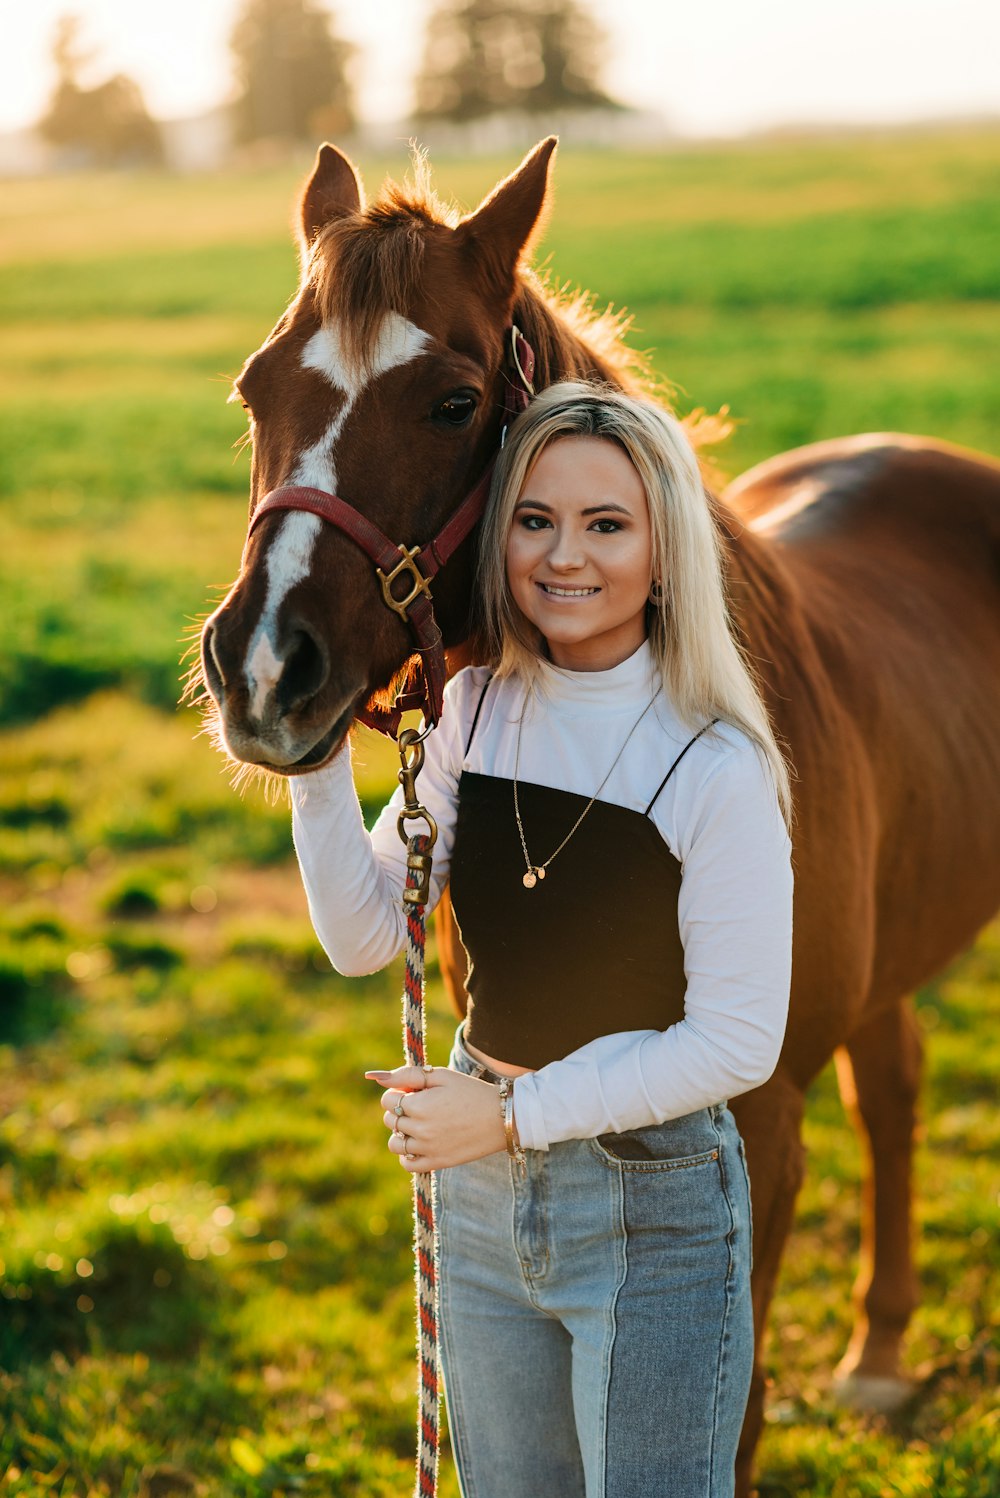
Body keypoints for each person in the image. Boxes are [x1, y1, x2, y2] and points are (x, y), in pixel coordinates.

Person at [289, 381, 794, 1498]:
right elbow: (366, 934)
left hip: (649, 1204)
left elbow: (736, 1041)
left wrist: (510, 1115)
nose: (563, 556)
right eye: (535, 519)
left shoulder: (713, 765)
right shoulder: (475, 712)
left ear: (666, 554)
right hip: (477, 1201)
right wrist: (316, 754)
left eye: (605, 525)